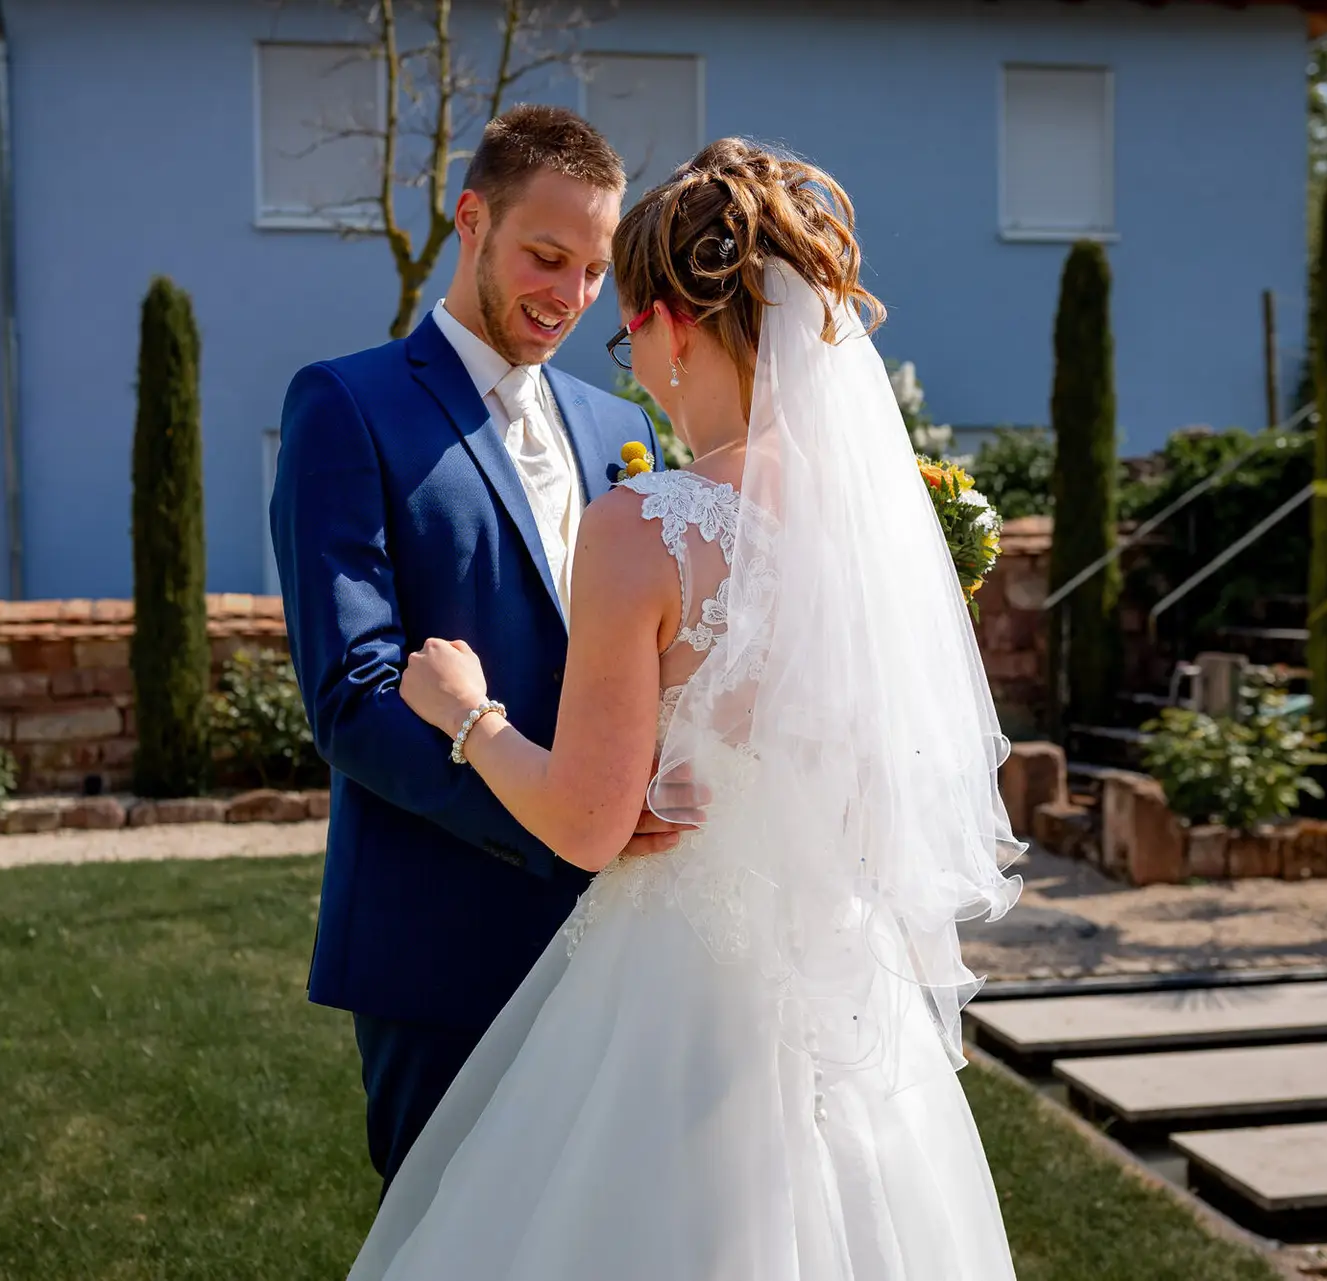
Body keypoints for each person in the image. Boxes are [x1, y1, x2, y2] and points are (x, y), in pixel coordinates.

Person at [356, 138, 1026, 1279]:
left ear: (670, 323)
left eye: (628, 334)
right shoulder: (880, 529)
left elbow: (588, 823)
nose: (638, 368)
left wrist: (467, 714)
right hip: (846, 997)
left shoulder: (646, 524)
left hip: (681, 990)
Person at [268, 104, 690, 1194]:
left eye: (594, 271)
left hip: (622, 941)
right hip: (440, 941)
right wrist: (566, 825)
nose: (572, 296)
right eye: (547, 257)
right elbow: (353, 695)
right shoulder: (346, 405)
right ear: (471, 220)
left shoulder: (619, 426)